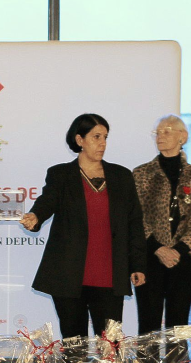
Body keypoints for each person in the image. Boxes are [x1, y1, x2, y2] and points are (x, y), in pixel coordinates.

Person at [20, 113, 146, 340]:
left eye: (105, 137)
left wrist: (137, 264)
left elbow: (134, 222)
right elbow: (47, 201)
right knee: (73, 345)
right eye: (96, 136)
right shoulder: (61, 174)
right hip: (70, 274)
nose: (103, 143)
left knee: (110, 346)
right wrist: (35, 216)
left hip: (109, 275)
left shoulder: (122, 176)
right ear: (79, 140)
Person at [132, 114, 191, 363]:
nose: (161, 135)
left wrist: (178, 250)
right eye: (158, 131)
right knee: (149, 321)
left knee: (179, 321)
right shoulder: (142, 174)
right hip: (150, 258)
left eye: (167, 131)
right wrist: (158, 248)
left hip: (184, 259)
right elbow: (136, 216)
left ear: (182, 137)